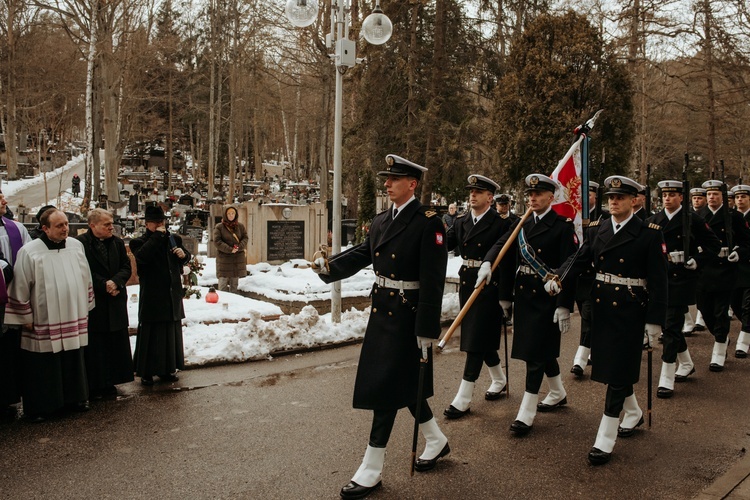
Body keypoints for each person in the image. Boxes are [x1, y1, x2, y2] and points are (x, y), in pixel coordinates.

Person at [313, 154, 449, 499]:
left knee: (386, 390)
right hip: (383, 312)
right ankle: (436, 439)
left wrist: (426, 329)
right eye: (386, 178)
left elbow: (433, 280)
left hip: (408, 316)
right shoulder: (381, 220)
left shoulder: (428, 221)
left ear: (412, 184)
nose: (386, 183)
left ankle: (371, 468)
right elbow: (362, 253)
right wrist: (328, 267)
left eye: (394, 179)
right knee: (402, 383)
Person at [549, 175, 668, 465]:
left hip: (630, 308)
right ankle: (634, 413)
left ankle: (605, 437)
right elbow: (578, 260)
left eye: (620, 198)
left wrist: (654, 321)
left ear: (634, 200)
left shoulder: (650, 233)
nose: (613, 202)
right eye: (610, 198)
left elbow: (660, 281)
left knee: (617, 372)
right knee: (613, 369)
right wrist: (558, 280)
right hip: (602, 306)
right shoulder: (597, 229)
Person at [477, 173, 578, 437]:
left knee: (535, 355)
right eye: (530, 194)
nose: (532, 198)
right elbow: (503, 249)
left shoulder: (563, 226)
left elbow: (571, 265)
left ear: (551, 197)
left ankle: (527, 411)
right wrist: (489, 264)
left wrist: (564, 303)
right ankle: (557, 392)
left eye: (538, 194)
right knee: (538, 350)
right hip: (524, 296)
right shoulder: (522, 223)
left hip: (547, 297)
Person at [5, 209, 94, 422]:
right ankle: (42, 407)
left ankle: (75, 399)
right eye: (59, 226)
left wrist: (86, 304)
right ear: (45, 228)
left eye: (66, 224)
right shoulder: (30, 252)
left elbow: (85, 277)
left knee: (73, 357)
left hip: (73, 313)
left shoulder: (76, 246)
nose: (65, 229)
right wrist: (24, 316)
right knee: (44, 363)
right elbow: (20, 286)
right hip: (44, 317)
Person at [443, 174, 510, 420]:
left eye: (478, 192)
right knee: (478, 335)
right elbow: (445, 244)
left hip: (489, 285)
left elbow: (505, 258)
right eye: (471, 191)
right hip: (467, 281)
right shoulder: (461, 222)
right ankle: (499, 378)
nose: (472, 195)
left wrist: (505, 296)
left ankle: (464, 397)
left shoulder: (501, 224)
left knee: (475, 338)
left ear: (490, 198)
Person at [647, 181, 720, 397]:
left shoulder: (692, 220)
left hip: (681, 278)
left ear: (681, 197)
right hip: (661, 279)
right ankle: (687, 363)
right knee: (670, 326)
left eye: (672, 194)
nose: (667, 198)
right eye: (664, 195)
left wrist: (697, 260)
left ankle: (667, 376)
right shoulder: (653, 220)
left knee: (670, 326)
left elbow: (713, 245)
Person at [130, 205, 191, 386]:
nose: (159, 225)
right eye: (155, 223)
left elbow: (184, 258)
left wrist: (184, 255)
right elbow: (143, 257)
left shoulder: (173, 239)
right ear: (147, 224)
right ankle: (146, 371)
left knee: (169, 334)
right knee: (151, 333)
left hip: (171, 293)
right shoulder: (139, 242)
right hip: (152, 294)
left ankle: (167, 369)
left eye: (161, 222)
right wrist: (157, 236)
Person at [77, 208, 134, 398]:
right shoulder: (81, 244)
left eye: (111, 223)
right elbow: (82, 270)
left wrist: (116, 282)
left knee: (114, 343)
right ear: (92, 226)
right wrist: (104, 284)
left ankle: (111, 381)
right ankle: (95, 384)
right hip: (96, 300)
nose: (112, 227)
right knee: (97, 345)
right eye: (107, 224)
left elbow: (126, 266)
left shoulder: (117, 243)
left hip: (115, 297)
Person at [695, 180, 750, 372]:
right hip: (704, 269)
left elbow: (746, 241)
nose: (711, 197)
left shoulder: (733, 216)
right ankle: (720, 336)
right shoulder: (698, 215)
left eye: (716, 194)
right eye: (709, 194)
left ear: (723, 197)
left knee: (720, 312)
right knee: (704, 308)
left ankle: (719, 349)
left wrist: (739, 253)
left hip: (725, 268)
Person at [571, 181, 610, 377]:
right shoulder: (573, 214)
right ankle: (594, 349)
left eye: (589, 193)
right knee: (588, 315)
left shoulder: (605, 216)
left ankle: (580, 358)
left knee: (588, 315)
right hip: (578, 274)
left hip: (596, 275)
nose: (585, 197)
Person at [0, 191, 31, 415]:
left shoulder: (16, 229)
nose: (4, 201)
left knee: (9, 350)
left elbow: (29, 258)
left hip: (13, 296)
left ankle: (9, 396)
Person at [730, 184, 750, 358]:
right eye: (737, 197)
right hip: (736, 268)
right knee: (735, 303)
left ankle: (743, 343)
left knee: (747, 306)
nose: (740, 200)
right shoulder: (731, 217)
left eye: (743, 197)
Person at [213, 205, 248, 293]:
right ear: (225, 215)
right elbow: (217, 241)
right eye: (229, 214)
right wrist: (229, 249)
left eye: (233, 213)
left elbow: (245, 238)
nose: (231, 215)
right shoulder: (219, 227)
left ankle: (234, 302)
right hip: (224, 258)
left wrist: (239, 247)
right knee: (223, 282)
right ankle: (222, 302)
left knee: (234, 283)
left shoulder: (240, 226)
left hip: (237, 257)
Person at [689, 187, 708, 332]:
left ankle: (700, 319)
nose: (697, 200)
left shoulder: (701, 217)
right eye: (694, 198)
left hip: (707, 257)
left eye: (700, 198)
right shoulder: (689, 215)